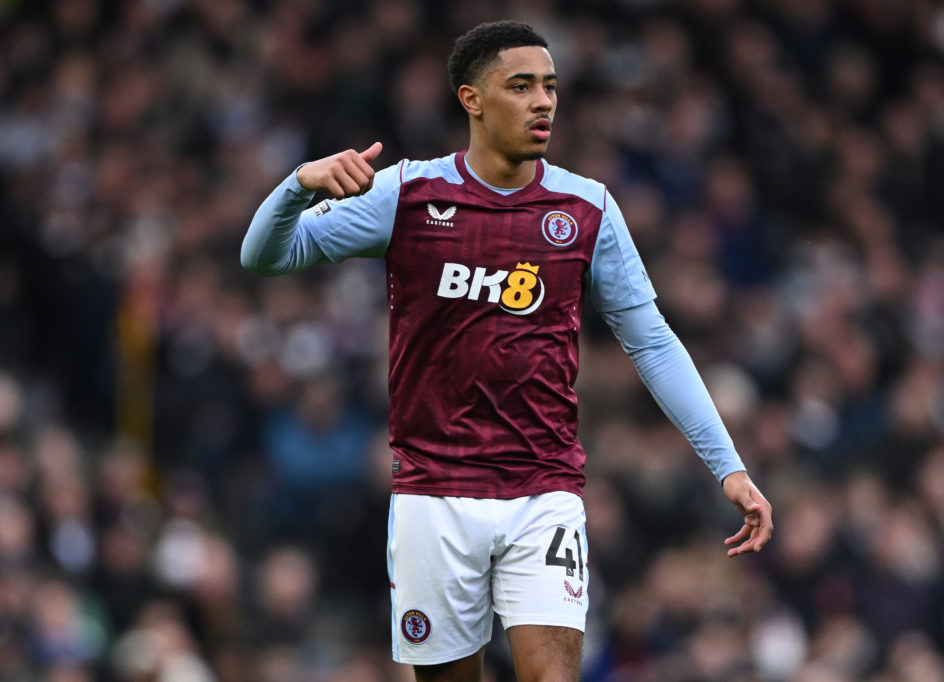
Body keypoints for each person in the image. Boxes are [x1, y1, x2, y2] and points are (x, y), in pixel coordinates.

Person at [241, 19, 773, 682]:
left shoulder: (586, 210)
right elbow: (263, 256)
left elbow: (653, 342)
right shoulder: (408, 195)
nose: (543, 101)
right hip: (434, 495)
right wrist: (298, 187)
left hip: (542, 490)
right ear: (472, 99)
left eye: (549, 87)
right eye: (521, 86)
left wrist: (728, 466)